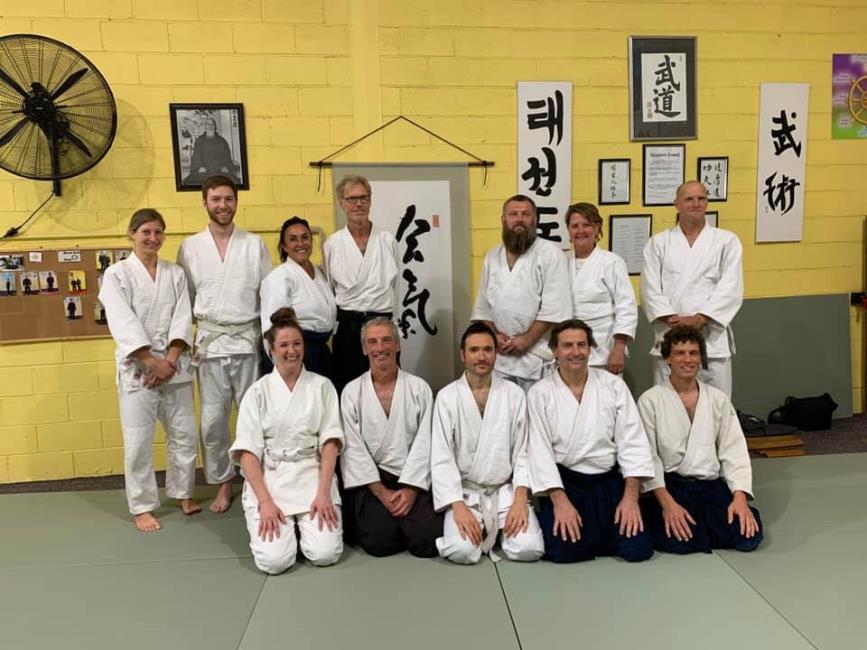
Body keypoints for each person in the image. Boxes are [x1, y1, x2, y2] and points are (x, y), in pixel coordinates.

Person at [98, 209, 199, 533]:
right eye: (146, 232)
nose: (152, 238)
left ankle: (183, 492)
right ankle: (142, 506)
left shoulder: (175, 273)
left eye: (158, 232)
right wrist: (151, 361)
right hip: (137, 367)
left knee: (184, 433)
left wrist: (169, 359)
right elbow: (121, 320)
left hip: (174, 363)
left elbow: (183, 315)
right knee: (139, 440)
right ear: (132, 233)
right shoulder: (116, 275)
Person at [176, 174, 272, 513]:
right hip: (211, 345)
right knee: (213, 422)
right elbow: (184, 300)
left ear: (236, 202)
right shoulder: (190, 247)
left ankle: (255, 480)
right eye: (216, 199)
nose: (223, 205)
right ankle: (223, 483)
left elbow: (269, 295)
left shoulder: (254, 244)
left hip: (247, 341)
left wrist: (271, 341)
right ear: (204, 202)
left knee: (253, 417)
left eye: (228, 199)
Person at [527, 319, 654, 563]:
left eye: (581, 345)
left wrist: (630, 498)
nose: (575, 352)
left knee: (637, 549)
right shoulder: (540, 393)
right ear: (554, 350)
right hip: (567, 485)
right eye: (567, 345)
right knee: (564, 551)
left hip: (609, 483)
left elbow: (633, 442)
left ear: (590, 348)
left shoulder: (614, 386)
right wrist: (559, 501)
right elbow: (539, 451)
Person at [230, 308, 344, 575]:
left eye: (297, 344)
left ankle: (304, 531)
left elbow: (330, 443)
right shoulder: (257, 392)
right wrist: (265, 502)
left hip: (312, 474)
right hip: (272, 476)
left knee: (326, 554)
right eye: (283, 345)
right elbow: (247, 452)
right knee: (275, 562)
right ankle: (288, 533)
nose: (291, 351)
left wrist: (324, 492)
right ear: (271, 350)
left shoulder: (322, 386)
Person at [637, 325, 762, 554]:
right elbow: (648, 457)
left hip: (709, 486)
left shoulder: (717, 399)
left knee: (747, 537)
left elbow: (734, 450)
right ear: (668, 358)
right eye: (680, 353)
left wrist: (740, 498)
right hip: (671, 486)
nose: (688, 359)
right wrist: (667, 504)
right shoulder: (650, 400)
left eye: (693, 353)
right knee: (680, 541)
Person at [431, 322, 544, 564]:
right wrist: (457, 505)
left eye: (487, 350)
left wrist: (520, 499)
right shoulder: (447, 397)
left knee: (528, 549)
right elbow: (442, 457)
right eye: (474, 350)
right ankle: (486, 529)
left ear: (495, 354)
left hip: (505, 491)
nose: (481, 357)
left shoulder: (514, 394)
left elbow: (523, 451)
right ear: (463, 355)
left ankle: (501, 530)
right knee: (462, 551)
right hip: (465, 494)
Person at [340, 317, 442, 557]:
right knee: (379, 543)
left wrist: (411, 489)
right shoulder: (352, 392)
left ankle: (406, 519)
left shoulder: (418, 388)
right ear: (364, 349)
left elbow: (426, 443)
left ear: (397, 345)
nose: (380, 347)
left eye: (386, 340)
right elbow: (353, 449)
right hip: (373, 481)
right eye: (372, 342)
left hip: (411, 477)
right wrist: (380, 492)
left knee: (428, 541)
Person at [640, 181, 743, 396]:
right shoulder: (658, 243)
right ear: (676, 204)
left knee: (716, 404)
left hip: (711, 339)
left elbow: (730, 287)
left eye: (701, 198)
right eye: (689, 199)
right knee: (668, 403)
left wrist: (701, 318)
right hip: (670, 336)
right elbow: (650, 289)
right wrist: (673, 320)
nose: (696, 203)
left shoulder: (726, 241)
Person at [471, 194, 571, 391]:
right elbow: (483, 308)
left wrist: (526, 340)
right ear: (503, 220)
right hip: (499, 356)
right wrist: (494, 336)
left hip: (535, 356)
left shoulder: (550, 254)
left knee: (536, 408)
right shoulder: (492, 256)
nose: (519, 219)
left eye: (525, 214)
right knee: (501, 408)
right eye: (513, 214)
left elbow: (555, 308)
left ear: (535, 220)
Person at [323, 174, 398, 393]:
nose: (358, 204)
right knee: (348, 387)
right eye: (352, 198)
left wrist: (394, 325)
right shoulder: (333, 244)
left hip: (382, 320)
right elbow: (329, 288)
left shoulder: (387, 240)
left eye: (363, 198)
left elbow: (397, 287)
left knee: (387, 384)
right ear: (342, 203)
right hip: (348, 325)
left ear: (370, 201)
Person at [259, 217, 336, 380]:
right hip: (296, 354)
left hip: (321, 353)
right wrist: (280, 368)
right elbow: (271, 326)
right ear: (284, 246)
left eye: (305, 237)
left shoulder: (320, 273)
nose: (300, 243)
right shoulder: (279, 277)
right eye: (293, 239)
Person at [565, 203, 637, 374]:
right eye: (575, 226)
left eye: (586, 225)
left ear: (597, 228)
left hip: (604, 350)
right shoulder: (561, 261)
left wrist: (618, 350)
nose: (580, 231)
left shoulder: (612, 262)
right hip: (567, 349)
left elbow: (626, 308)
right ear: (568, 230)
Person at [183, 117, 240, 185]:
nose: (210, 126)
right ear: (205, 127)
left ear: (215, 126)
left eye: (212, 124)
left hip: (219, 168)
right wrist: (199, 167)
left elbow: (226, 156)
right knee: (191, 182)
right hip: (204, 168)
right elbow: (196, 156)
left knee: (232, 182)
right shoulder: (200, 140)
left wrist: (225, 166)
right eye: (208, 124)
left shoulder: (221, 141)